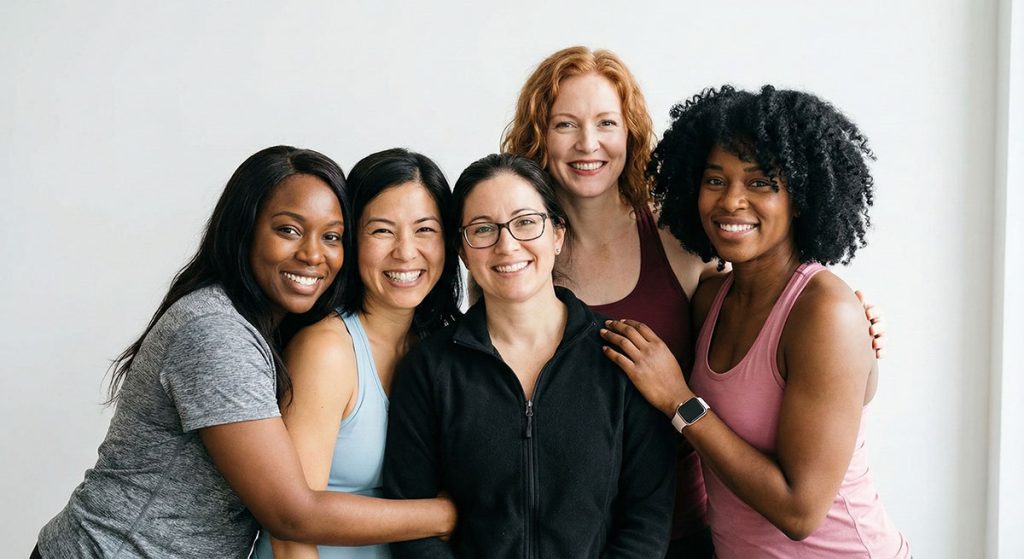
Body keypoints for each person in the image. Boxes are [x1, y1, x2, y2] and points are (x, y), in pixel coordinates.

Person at [502, 46, 888, 557]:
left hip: (683, 527)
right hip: (563, 531)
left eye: (606, 123)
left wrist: (856, 336)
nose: (588, 143)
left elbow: (798, 351)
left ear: (631, 132)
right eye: (565, 124)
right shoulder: (515, 249)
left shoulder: (679, 245)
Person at [33, 146, 455, 559]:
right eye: (288, 229)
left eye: (330, 236)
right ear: (245, 228)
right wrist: (447, 514)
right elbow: (291, 517)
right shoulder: (215, 332)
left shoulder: (273, 324)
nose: (311, 254)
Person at [601, 86, 911, 557]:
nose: (731, 202)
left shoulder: (824, 313)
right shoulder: (710, 298)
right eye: (715, 180)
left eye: (760, 182)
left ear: (801, 196)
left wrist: (680, 402)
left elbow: (799, 512)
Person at [383, 153, 676, 557]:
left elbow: (647, 520)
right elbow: (411, 525)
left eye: (525, 222)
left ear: (556, 233)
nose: (507, 245)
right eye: (483, 229)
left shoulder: (621, 355)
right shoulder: (430, 368)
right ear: (464, 251)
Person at [253, 148, 462, 559]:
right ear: (352, 239)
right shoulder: (327, 350)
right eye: (382, 231)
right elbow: (290, 534)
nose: (405, 251)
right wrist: (448, 515)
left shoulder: (444, 345)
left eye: (425, 230)